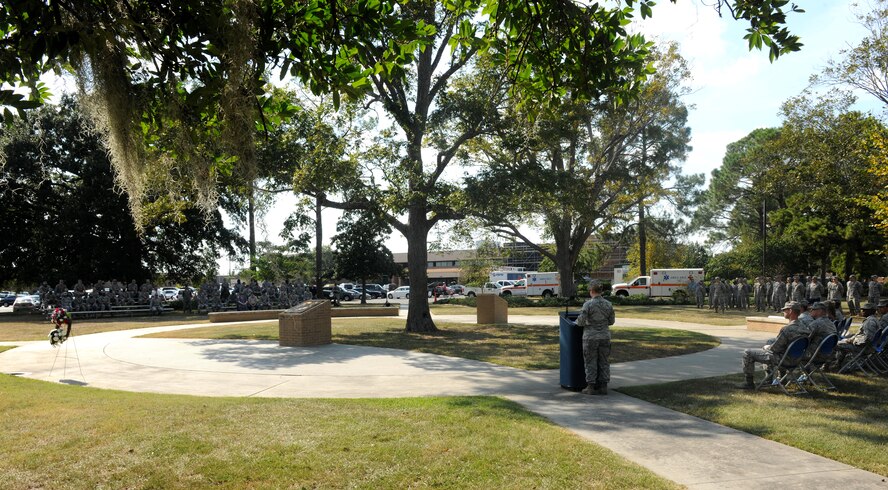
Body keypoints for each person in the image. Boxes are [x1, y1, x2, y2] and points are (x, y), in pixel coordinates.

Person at [737, 301, 810, 389]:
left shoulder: (787, 329)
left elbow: (775, 349)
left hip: (783, 360)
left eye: (785, 310)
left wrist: (767, 347)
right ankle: (772, 380)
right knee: (770, 342)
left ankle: (749, 383)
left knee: (747, 353)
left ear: (790, 311)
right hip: (797, 360)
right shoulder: (804, 328)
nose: (783, 312)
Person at [576, 280, 615, 395]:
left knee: (590, 361)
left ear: (591, 291)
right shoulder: (609, 304)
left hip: (590, 337)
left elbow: (581, 322)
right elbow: (611, 321)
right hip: (605, 337)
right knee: (604, 361)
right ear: (601, 291)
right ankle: (603, 386)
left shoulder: (588, 304)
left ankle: (590, 387)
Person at [833, 303, 882, 370]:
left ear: (870, 311)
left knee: (836, 344)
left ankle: (838, 365)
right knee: (842, 342)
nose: (862, 312)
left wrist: (853, 341)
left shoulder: (869, 322)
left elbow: (868, 339)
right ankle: (839, 364)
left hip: (865, 348)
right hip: (869, 347)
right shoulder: (874, 320)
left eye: (864, 310)